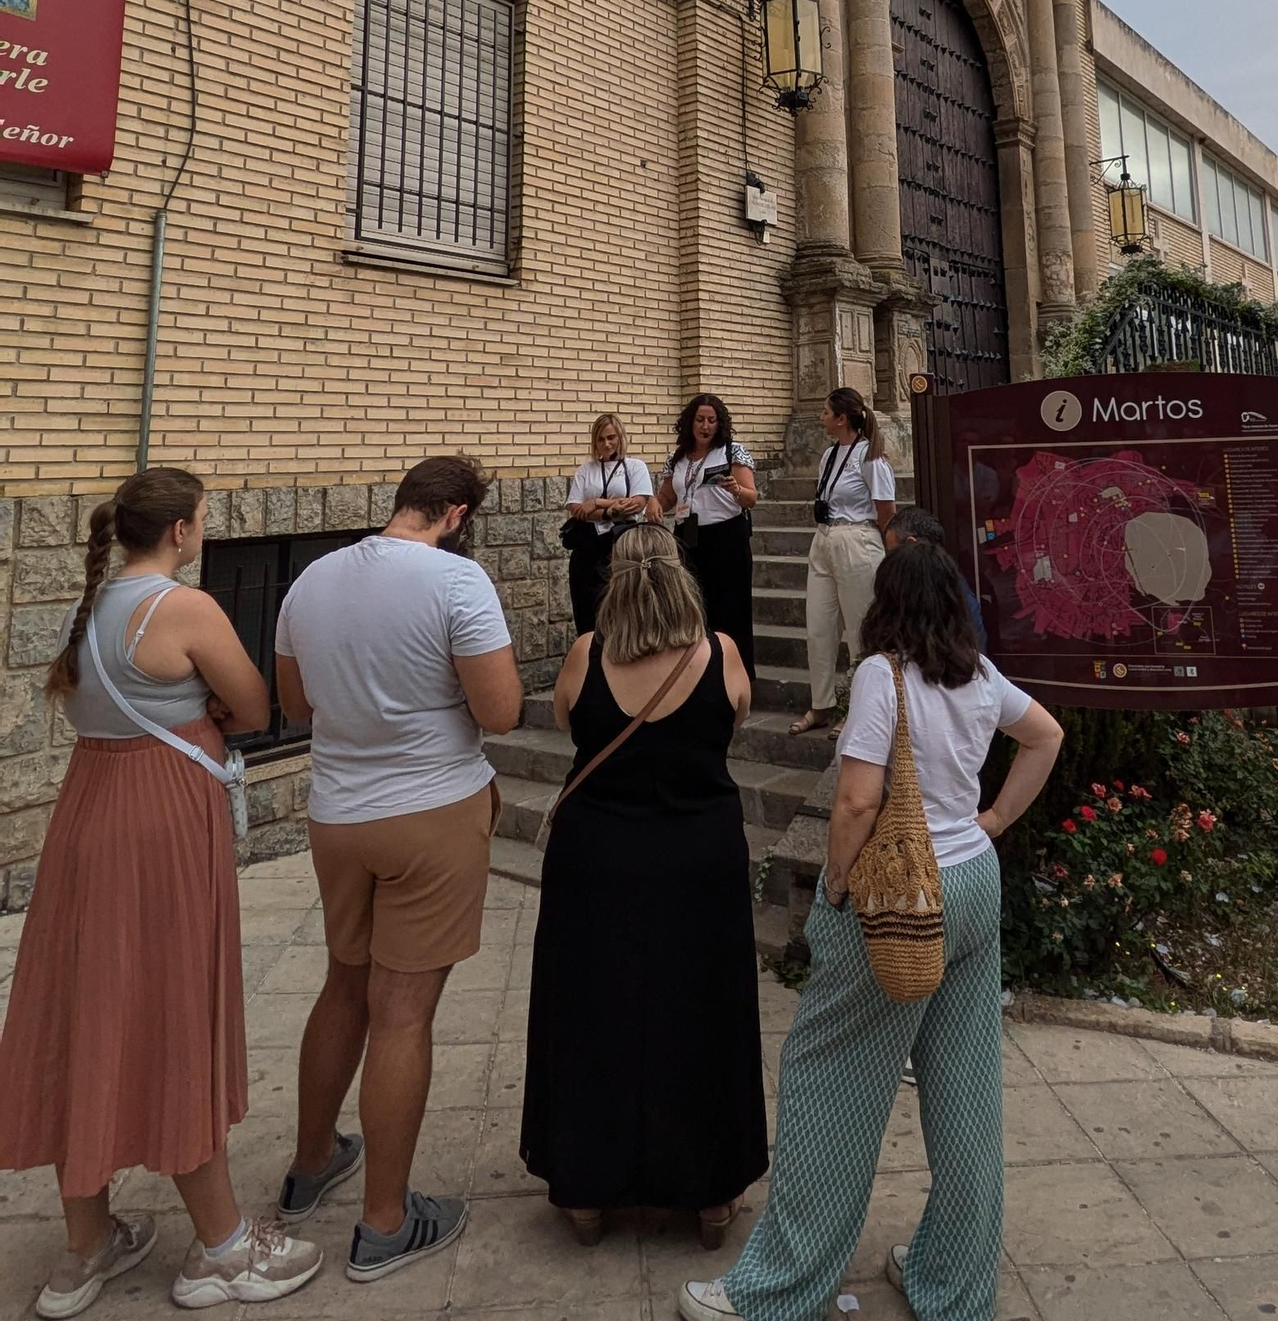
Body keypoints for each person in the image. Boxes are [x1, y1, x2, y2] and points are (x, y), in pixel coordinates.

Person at [680, 540, 1064, 1321]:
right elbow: (1047, 735)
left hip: (895, 894)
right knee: (966, 1091)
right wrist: (990, 821)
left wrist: (835, 885)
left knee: (828, 1079)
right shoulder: (979, 674)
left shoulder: (881, 676)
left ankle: (778, 1291)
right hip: (971, 886)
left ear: (884, 602)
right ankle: (952, 1283)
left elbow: (856, 801)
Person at [0, 468, 324, 1313]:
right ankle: (220, 1246)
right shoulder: (184, 607)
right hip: (163, 823)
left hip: (88, 814)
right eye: (204, 519)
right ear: (180, 530)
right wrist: (207, 708)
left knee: (89, 1005)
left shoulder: (96, 602)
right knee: (175, 1004)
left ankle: (84, 1248)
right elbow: (254, 706)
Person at [273, 455, 523, 1285]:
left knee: (344, 982)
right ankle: (385, 1220)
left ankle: (312, 1162)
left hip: (338, 811)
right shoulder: (458, 583)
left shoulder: (310, 579)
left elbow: (297, 704)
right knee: (404, 1012)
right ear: (454, 513)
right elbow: (500, 709)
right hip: (432, 808)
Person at [521, 525, 768, 1245]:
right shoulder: (719, 651)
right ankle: (710, 1191)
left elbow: (571, 722)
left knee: (591, 1010)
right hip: (700, 856)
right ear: (682, 578)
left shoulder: (585, 654)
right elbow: (738, 716)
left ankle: (587, 1190)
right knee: (704, 1011)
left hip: (596, 855)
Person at [790, 390, 896, 739]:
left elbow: (886, 511)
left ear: (841, 419)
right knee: (819, 628)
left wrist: (887, 553)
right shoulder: (830, 454)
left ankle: (856, 708)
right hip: (825, 538)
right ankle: (820, 704)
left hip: (858, 539)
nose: (821, 418)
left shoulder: (871, 457)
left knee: (859, 630)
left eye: (825, 413)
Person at [647, 394, 759, 681]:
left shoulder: (733, 452)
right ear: (690, 423)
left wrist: (736, 489)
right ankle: (696, 675)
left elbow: (751, 498)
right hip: (687, 537)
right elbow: (668, 496)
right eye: (699, 420)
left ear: (719, 424)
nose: (705, 426)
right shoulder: (678, 457)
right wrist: (657, 503)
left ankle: (735, 678)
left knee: (729, 610)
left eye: (711, 420)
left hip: (726, 537)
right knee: (691, 606)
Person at [564, 412, 653, 636]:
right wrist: (609, 509)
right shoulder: (586, 470)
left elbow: (637, 503)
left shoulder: (635, 467)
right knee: (588, 611)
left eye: (611, 437)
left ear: (620, 437)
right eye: (601, 439)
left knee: (624, 608)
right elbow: (576, 509)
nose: (607, 443)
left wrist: (594, 504)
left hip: (622, 545)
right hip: (589, 547)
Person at [883, 504, 987, 650]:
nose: (891, 562)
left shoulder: (936, 590)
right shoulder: (954, 584)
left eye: (892, 553)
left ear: (911, 544)